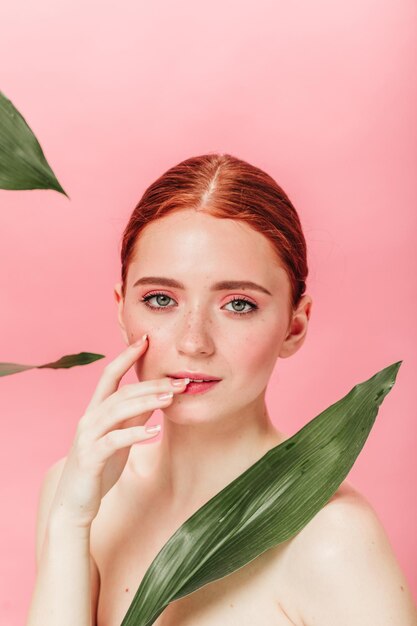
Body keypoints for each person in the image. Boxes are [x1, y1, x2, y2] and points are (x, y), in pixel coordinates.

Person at [26, 153, 417, 626]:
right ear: (122, 309)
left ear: (295, 326)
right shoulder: (76, 494)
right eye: (161, 299)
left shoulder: (333, 542)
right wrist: (69, 524)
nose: (193, 342)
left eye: (238, 304)